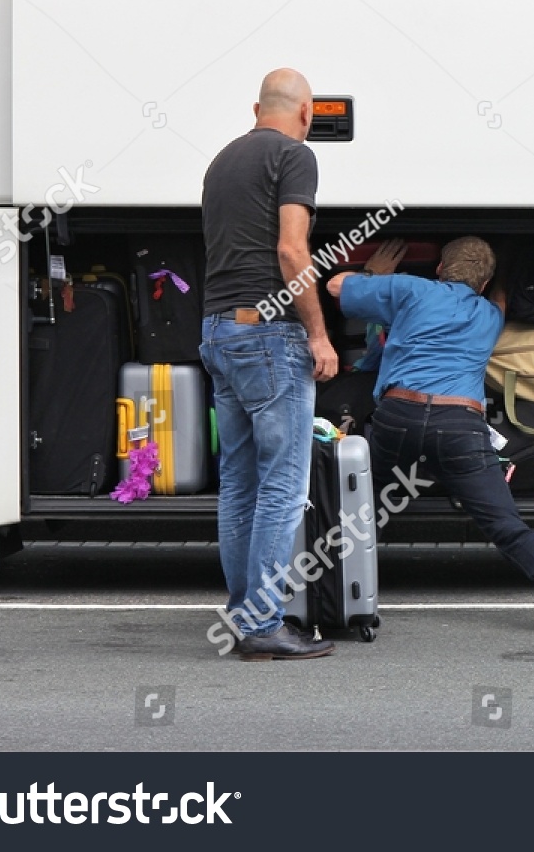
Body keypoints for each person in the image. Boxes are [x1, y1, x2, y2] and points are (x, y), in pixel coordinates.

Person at [327, 237, 534, 630]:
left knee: (362, 509)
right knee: (506, 525)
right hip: (460, 425)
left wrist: (375, 276)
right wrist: (502, 272)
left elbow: (335, 286)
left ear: (439, 268)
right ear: (485, 283)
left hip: (399, 414)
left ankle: (328, 592)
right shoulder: (489, 315)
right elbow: (502, 301)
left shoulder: (411, 288)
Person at [199, 68, 340, 661]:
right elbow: (290, 250)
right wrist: (318, 333)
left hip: (217, 330)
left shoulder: (222, 161)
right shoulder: (293, 156)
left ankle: (244, 614)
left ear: (258, 107)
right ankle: (262, 624)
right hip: (269, 334)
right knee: (282, 485)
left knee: (240, 483)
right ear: (306, 112)